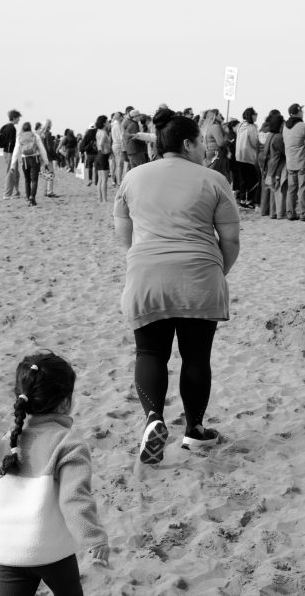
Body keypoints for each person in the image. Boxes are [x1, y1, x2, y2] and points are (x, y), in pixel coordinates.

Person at [113, 108, 241, 465]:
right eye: (200, 141)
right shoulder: (213, 180)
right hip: (199, 275)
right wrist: (218, 271)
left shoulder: (133, 177)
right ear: (188, 144)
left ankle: (153, 418)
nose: (203, 148)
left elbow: (122, 227)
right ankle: (195, 430)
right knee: (196, 355)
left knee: (150, 353)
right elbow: (230, 239)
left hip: (145, 276)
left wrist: (141, 258)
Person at [0, 351, 109, 595]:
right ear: (65, 402)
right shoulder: (68, 443)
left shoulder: (8, 440)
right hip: (51, 551)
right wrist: (94, 538)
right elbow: (74, 499)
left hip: (8, 552)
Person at [283, 103, 305, 221]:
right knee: (303, 189)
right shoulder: (303, 126)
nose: (303, 112)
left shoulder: (285, 127)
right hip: (303, 162)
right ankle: (304, 213)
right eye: (301, 110)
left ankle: (290, 213)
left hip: (290, 163)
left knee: (291, 189)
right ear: (298, 112)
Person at [10, 122, 49, 206]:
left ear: (23, 128)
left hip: (24, 160)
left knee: (27, 180)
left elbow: (16, 151)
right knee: (34, 180)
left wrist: (12, 164)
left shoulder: (19, 136)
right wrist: (46, 161)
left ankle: (28, 199)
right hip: (35, 159)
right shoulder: (35, 135)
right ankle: (32, 197)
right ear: (30, 128)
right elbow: (42, 149)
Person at [235, 107, 262, 209]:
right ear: (251, 115)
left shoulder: (240, 125)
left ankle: (242, 200)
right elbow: (255, 143)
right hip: (248, 157)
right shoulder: (251, 127)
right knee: (254, 179)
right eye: (255, 114)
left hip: (239, 156)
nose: (256, 116)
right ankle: (249, 200)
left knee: (243, 179)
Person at [262, 112, 287, 219]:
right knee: (275, 189)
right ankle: (274, 213)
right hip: (275, 166)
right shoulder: (278, 137)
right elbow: (284, 152)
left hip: (268, 165)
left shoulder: (270, 135)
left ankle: (265, 211)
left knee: (268, 189)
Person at [0, 110, 22, 199]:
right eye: (18, 118)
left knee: (16, 173)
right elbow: (11, 144)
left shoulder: (7, 127)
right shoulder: (11, 128)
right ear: (14, 118)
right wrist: (12, 154)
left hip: (7, 152)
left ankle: (17, 192)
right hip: (10, 153)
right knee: (11, 172)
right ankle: (7, 194)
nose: (19, 119)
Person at [38, 119, 59, 198]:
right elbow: (50, 147)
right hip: (48, 157)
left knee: (46, 174)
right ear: (49, 125)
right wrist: (55, 156)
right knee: (51, 173)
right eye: (51, 124)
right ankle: (49, 192)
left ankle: (45, 191)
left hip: (41, 157)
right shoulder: (48, 134)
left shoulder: (40, 134)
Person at [94, 115, 112, 202]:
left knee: (100, 179)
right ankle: (104, 199)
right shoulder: (104, 133)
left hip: (98, 156)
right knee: (104, 180)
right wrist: (105, 151)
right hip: (103, 156)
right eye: (107, 121)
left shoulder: (98, 131)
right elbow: (101, 144)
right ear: (104, 123)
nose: (109, 122)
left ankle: (100, 198)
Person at [110, 112, 124, 185]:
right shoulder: (118, 125)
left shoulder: (113, 125)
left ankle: (116, 180)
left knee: (116, 164)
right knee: (119, 164)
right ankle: (119, 181)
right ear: (120, 117)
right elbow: (121, 137)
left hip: (115, 145)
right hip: (118, 145)